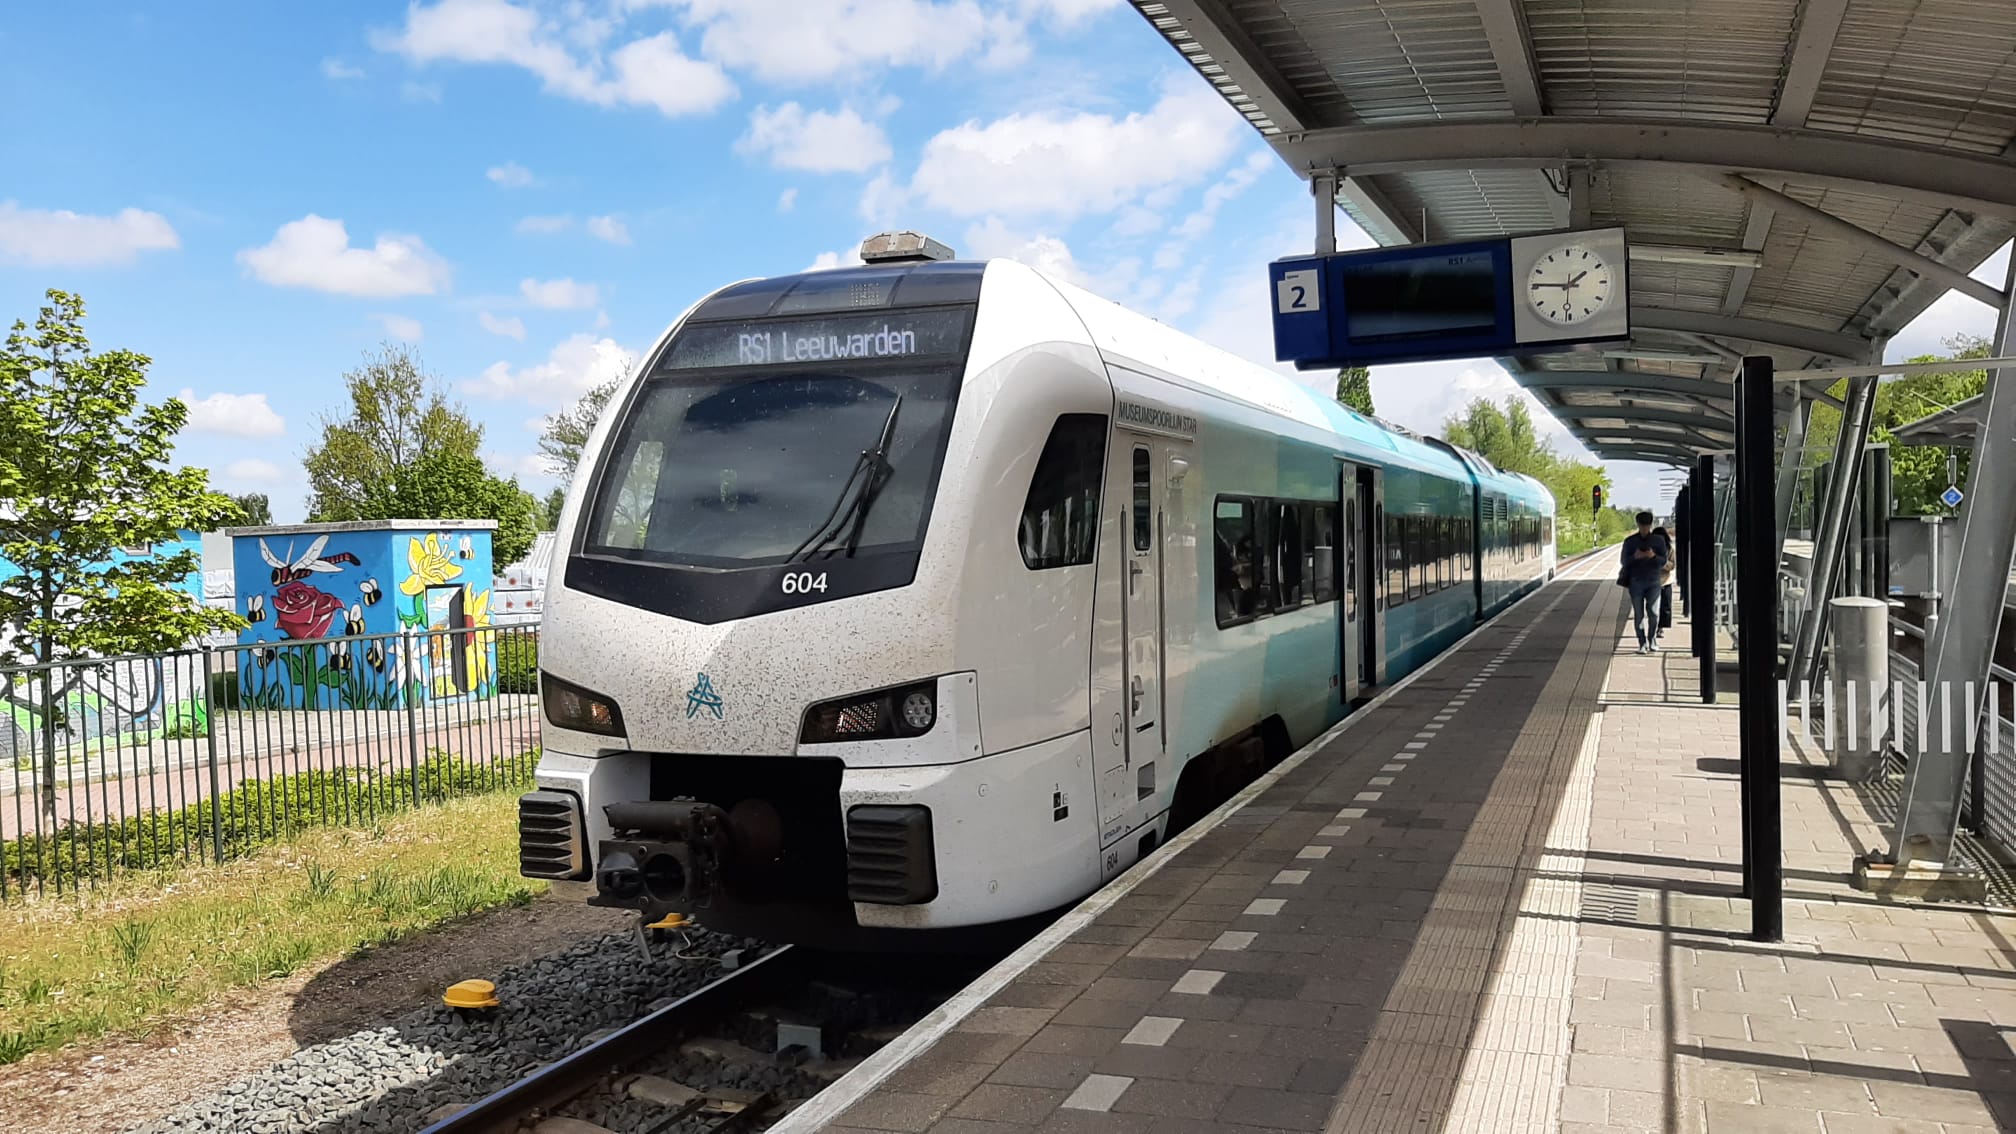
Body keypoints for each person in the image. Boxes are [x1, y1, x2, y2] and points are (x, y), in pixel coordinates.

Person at [1619, 512, 1668, 654]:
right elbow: (1623, 562)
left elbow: (1663, 561)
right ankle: (1642, 643)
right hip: (1636, 582)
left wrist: (1653, 556)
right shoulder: (1630, 541)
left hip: (1653, 581)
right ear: (1638, 525)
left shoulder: (1658, 541)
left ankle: (1652, 639)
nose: (1644, 529)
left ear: (1650, 525)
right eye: (1642, 526)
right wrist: (1635, 557)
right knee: (1638, 614)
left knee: (1653, 613)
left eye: (1646, 526)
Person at [1653, 525, 1675, 638]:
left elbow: (1672, 564)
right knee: (1653, 607)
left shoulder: (1670, 549)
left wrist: (1662, 564)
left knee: (1665, 606)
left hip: (1666, 581)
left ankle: (1661, 628)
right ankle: (1654, 626)